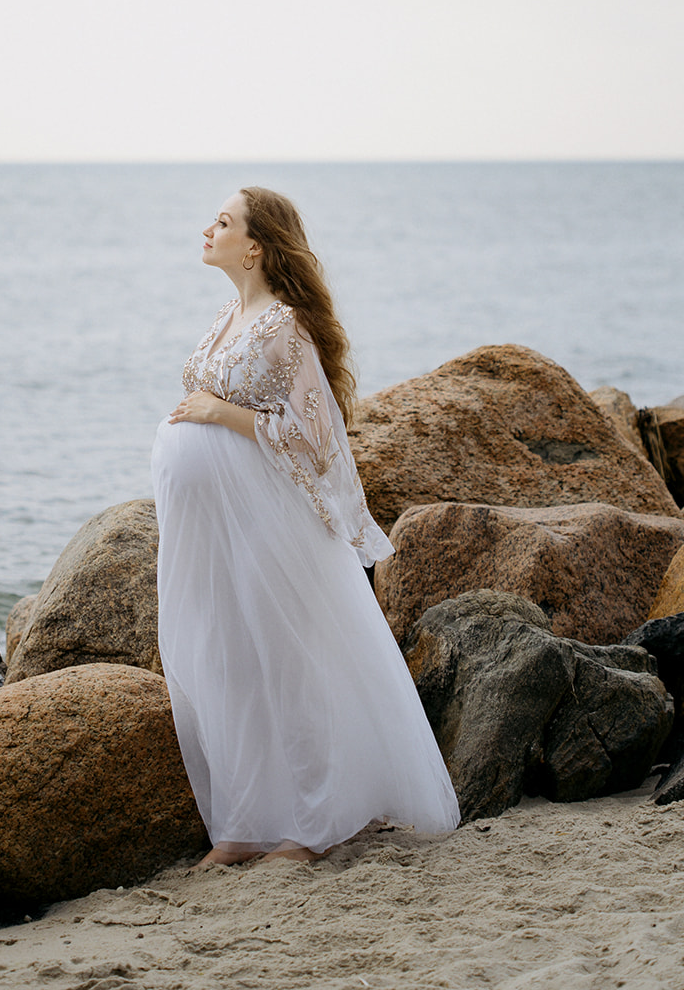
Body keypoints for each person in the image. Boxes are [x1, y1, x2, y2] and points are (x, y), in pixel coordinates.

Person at [150, 186, 460, 867]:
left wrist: (219, 415)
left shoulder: (283, 327)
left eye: (222, 222)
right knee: (224, 663)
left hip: (265, 524)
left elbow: (316, 439)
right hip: (210, 528)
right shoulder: (229, 316)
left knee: (287, 666)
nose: (208, 229)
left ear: (254, 245)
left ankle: (314, 824)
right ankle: (240, 825)